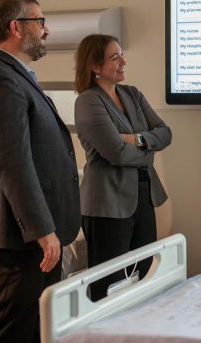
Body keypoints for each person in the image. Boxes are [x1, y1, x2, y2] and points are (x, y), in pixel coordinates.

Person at [0, 0, 81, 342]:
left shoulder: (15, 76)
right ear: (16, 27)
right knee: (7, 333)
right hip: (16, 238)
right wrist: (42, 229)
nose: (46, 30)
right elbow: (12, 163)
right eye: (39, 22)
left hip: (29, 236)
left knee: (31, 330)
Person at [73, 34, 172, 300]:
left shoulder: (132, 94)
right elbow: (115, 154)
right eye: (115, 57)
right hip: (107, 203)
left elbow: (165, 133)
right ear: (95, 66)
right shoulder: (88, 101)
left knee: (145, 272)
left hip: (142, 195)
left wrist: (138, 139)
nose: (123, 61)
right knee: (109, 283)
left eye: (121, 54)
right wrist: (149, 153)